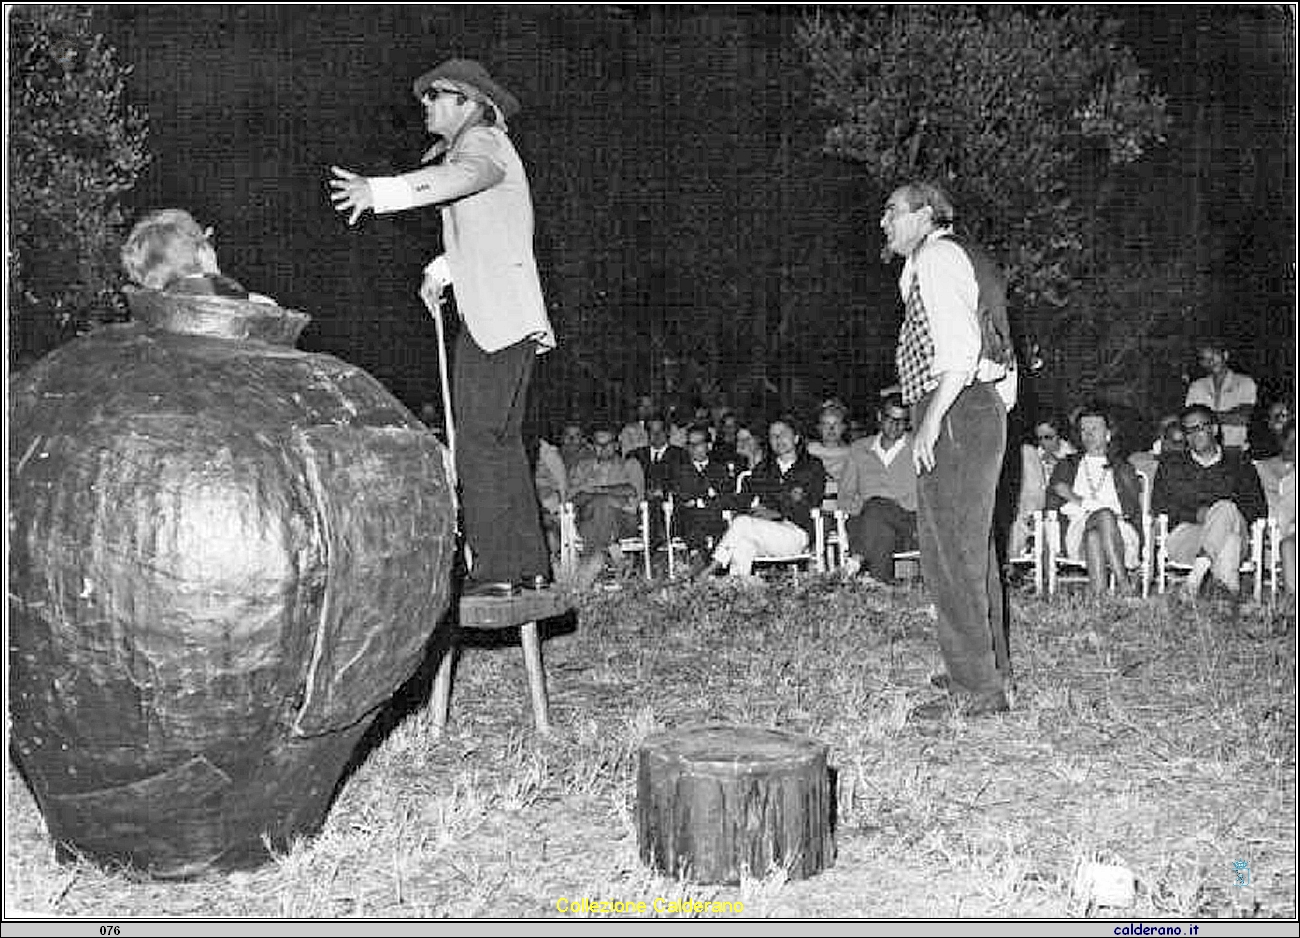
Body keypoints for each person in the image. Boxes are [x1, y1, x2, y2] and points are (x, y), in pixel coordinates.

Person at [329, 58, 555, 598]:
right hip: (506, 314)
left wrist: (382, 193)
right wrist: (442, 271)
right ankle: (527, 564)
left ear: (468, 101)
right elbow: (491, 228)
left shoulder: (484, 142)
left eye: (436, 96)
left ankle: (498, 571)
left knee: (477, 438)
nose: (426, 105)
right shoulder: (477, 148)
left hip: (497, 319)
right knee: (497, 440)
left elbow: (467, 177)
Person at [881, 180, 1016, 719]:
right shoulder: (970, 257)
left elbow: (958, 351)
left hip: (954, 407)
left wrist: (933, 422)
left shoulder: (935, 258)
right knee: (973, 549)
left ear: (925, 214)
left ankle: (975, 689)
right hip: (980, 407)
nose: (884, 223)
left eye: (892, 212)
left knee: (947, 553)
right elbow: (1003, 360)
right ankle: (988, 668)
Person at [1151, 404, 1267, 601]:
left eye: (1200, 428)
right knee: (1229, 541)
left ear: (1214, 429)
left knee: (1225, 509)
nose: (1195, 435)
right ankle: (1225, 607)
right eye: (1189, 431)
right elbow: (1160, 506)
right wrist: (1195, 515)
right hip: (1187, 535)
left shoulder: (1239, 463)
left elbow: (1257, 507)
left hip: (1235, 528)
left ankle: (1194, 579)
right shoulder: (1172, 465)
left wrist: (1219, 516)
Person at [691, 415, 825, 581]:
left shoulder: (812, 466)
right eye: (773, 436)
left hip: (797, 534)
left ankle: (709, 571)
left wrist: (778, 513)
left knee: (742, 523)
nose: (778, 439)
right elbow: (742, 499)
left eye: (783, 434)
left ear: (796, 438)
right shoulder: (764, 469)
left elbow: (811, 503)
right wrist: (707, 502)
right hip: (766, 534)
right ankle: (741, 589)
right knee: (742, 543)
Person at [1045, 405, 1144, 596]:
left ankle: (1100, 599)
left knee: (1096, 534)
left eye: (1094, 429)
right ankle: (1125, 586)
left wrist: (1078, 500)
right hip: (1078, 531)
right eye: (1084, 430)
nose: (1088, 435)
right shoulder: (1068, 465)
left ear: (1108, 434)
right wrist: (1093, 508)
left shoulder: (1123, 469)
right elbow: (1057, 491)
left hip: (1120, 532)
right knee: (1103, 516)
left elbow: (1131, 511)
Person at [837, 393, 917, 584]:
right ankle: (880, 587)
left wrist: (877, 507)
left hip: (907, 524)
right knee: (877, 520)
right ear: (880, 417)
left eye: (902, 421)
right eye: (890, 419)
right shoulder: (859, 449)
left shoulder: (917, 446)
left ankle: (857, 558)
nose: (895, 426)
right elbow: (845, 496)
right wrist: (866, 510)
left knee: (876, 508)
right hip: (870, 524)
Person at [121, 209, 259, 300]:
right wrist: (213, 274)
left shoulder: (150, 306)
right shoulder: (238, 297)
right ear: (202, 252)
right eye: (208, 242)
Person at [568, 425, 646, 584]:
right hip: (587, 519)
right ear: (592, 446)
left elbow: (632, 491)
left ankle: (595, 558)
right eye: (598, 444)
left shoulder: (630, 464)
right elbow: (572, 498)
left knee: (601, 503)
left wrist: (596, 491)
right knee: (600, 505)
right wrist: (612, 498)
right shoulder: (582, 467)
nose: (603, 448)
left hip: (623, 521)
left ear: (616, 445)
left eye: (607, 444)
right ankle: (607, 552)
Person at [1009, 416, 1076, 561]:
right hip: (1034, 503)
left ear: (1059, 435)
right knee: (1018, 521)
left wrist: (1056, 465)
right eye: (1039, 438)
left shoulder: (1072, 456)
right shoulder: (1035, 454)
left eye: (1048, 437)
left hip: (1057, 505)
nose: (1043, 442)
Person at [670, 423, 732, 556]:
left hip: (714, 518)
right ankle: (702, 562)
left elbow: (724, 498)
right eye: (690, 444)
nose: (693, 448)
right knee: (693, 517)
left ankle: (709, 564)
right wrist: (707, 498)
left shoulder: (720, 470)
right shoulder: (680, 470)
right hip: (687, 519)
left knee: (721, 524)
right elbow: (683, 497)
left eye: (698, 443)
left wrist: (700, 501)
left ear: (709, 446)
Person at [1184, 339, 1256, 453]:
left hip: (1236, 449)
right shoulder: (1196, 386)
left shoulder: (1245, 382)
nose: (1211, 361)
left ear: (1225, 355)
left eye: (1214, 355)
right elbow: (1190, 421)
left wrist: (1205, 418)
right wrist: (1229, 414)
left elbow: (1243, 418)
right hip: (1204, 451)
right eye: (1205, 359)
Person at [807, 398, 852, 513]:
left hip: (843, 512)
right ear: (819, 427)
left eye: (836, 424)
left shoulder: (853, 453)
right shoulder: (807, 451)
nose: (831, 429)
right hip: (813, 511)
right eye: (826, 424)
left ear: (843, 427)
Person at [1128, 414, 1185, 482]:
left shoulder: (1192, 460)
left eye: (1176, 426)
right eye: (1167, 429)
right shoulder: (1139, 459)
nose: (1173, 431)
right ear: (1160, 435)